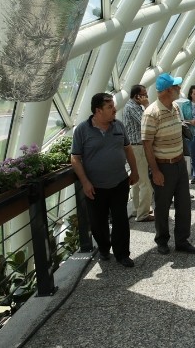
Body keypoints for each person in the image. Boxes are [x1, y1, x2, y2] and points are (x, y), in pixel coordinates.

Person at [71, 93, 138, 267]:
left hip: (119, 182)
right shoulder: (82, 130)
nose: (115, 110)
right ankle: (103, 248)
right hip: (95, 186)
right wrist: (85, 182)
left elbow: (128, 149)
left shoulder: (119, 126)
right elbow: (75, 158)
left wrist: (135, 171)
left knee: (121, 219)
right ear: (98, 111)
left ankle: (122, 253)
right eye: (110, 107)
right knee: (98, 222)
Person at [141, 73, 195, 255]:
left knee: (184, 205)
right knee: (162, 205)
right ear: (168, 90)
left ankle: (182, 240)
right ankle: (162, 240)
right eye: (176, 87)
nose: (179, 89)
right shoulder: (151, 113)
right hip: (163, 166)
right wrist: (156, 171)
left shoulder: (174, 107)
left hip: (179, 163)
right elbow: (147, 145)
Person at [123, 84, 155, 222]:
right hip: (138, 148)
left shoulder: (130, 106)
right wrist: (147, 105)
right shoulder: (133, 108)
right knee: (145, 183)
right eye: (144, 94)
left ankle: (137, 209)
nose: (146, 96)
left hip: (134, 147)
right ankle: (143, 213)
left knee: (137, 181)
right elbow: (148, 121)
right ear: (137, 96)